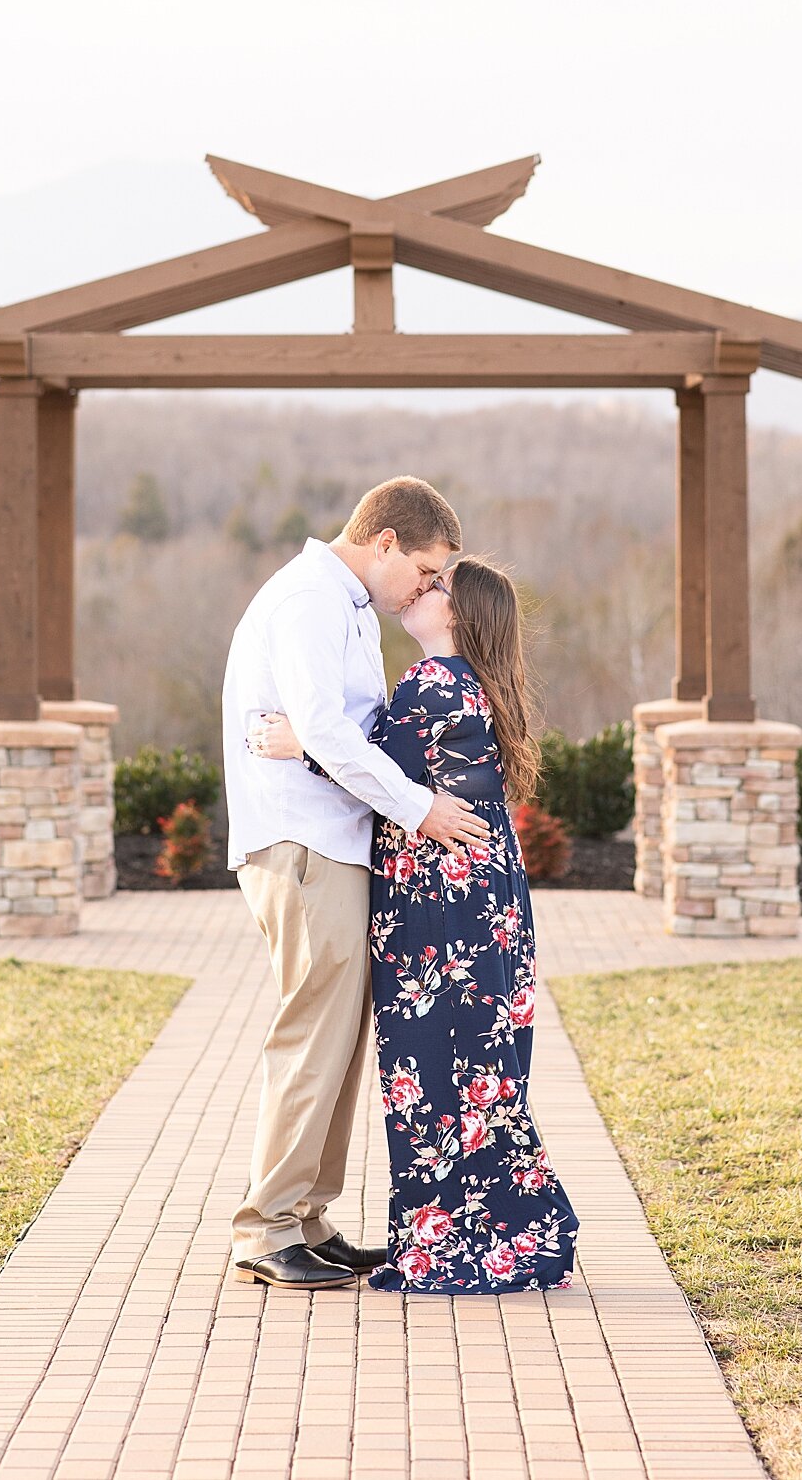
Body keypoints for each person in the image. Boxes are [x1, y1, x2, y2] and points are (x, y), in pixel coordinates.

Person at [251, 555, 578, 1294]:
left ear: (459, 616)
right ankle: (503, 1228)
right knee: (478, 1074)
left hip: (440, 915)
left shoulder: (433, 684)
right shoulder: (475, 686)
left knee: (434, 1071)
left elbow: (373, 768)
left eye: (438, 588)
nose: (422, 590)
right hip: (482, 905)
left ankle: (451, 1243)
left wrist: (297, 742)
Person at [222, 474, 492, 1291]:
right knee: (313, 1032)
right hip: (304, 843)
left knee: (338, 1035)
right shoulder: (309, 598)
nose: (429, 588)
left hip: (333, 843)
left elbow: (336, 730)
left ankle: (307, 1217)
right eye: (426, 570)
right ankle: (266, 1227)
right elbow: (336, 735)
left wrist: (309, 738)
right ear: (385, 544)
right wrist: (422, 811)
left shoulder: (345, 608)